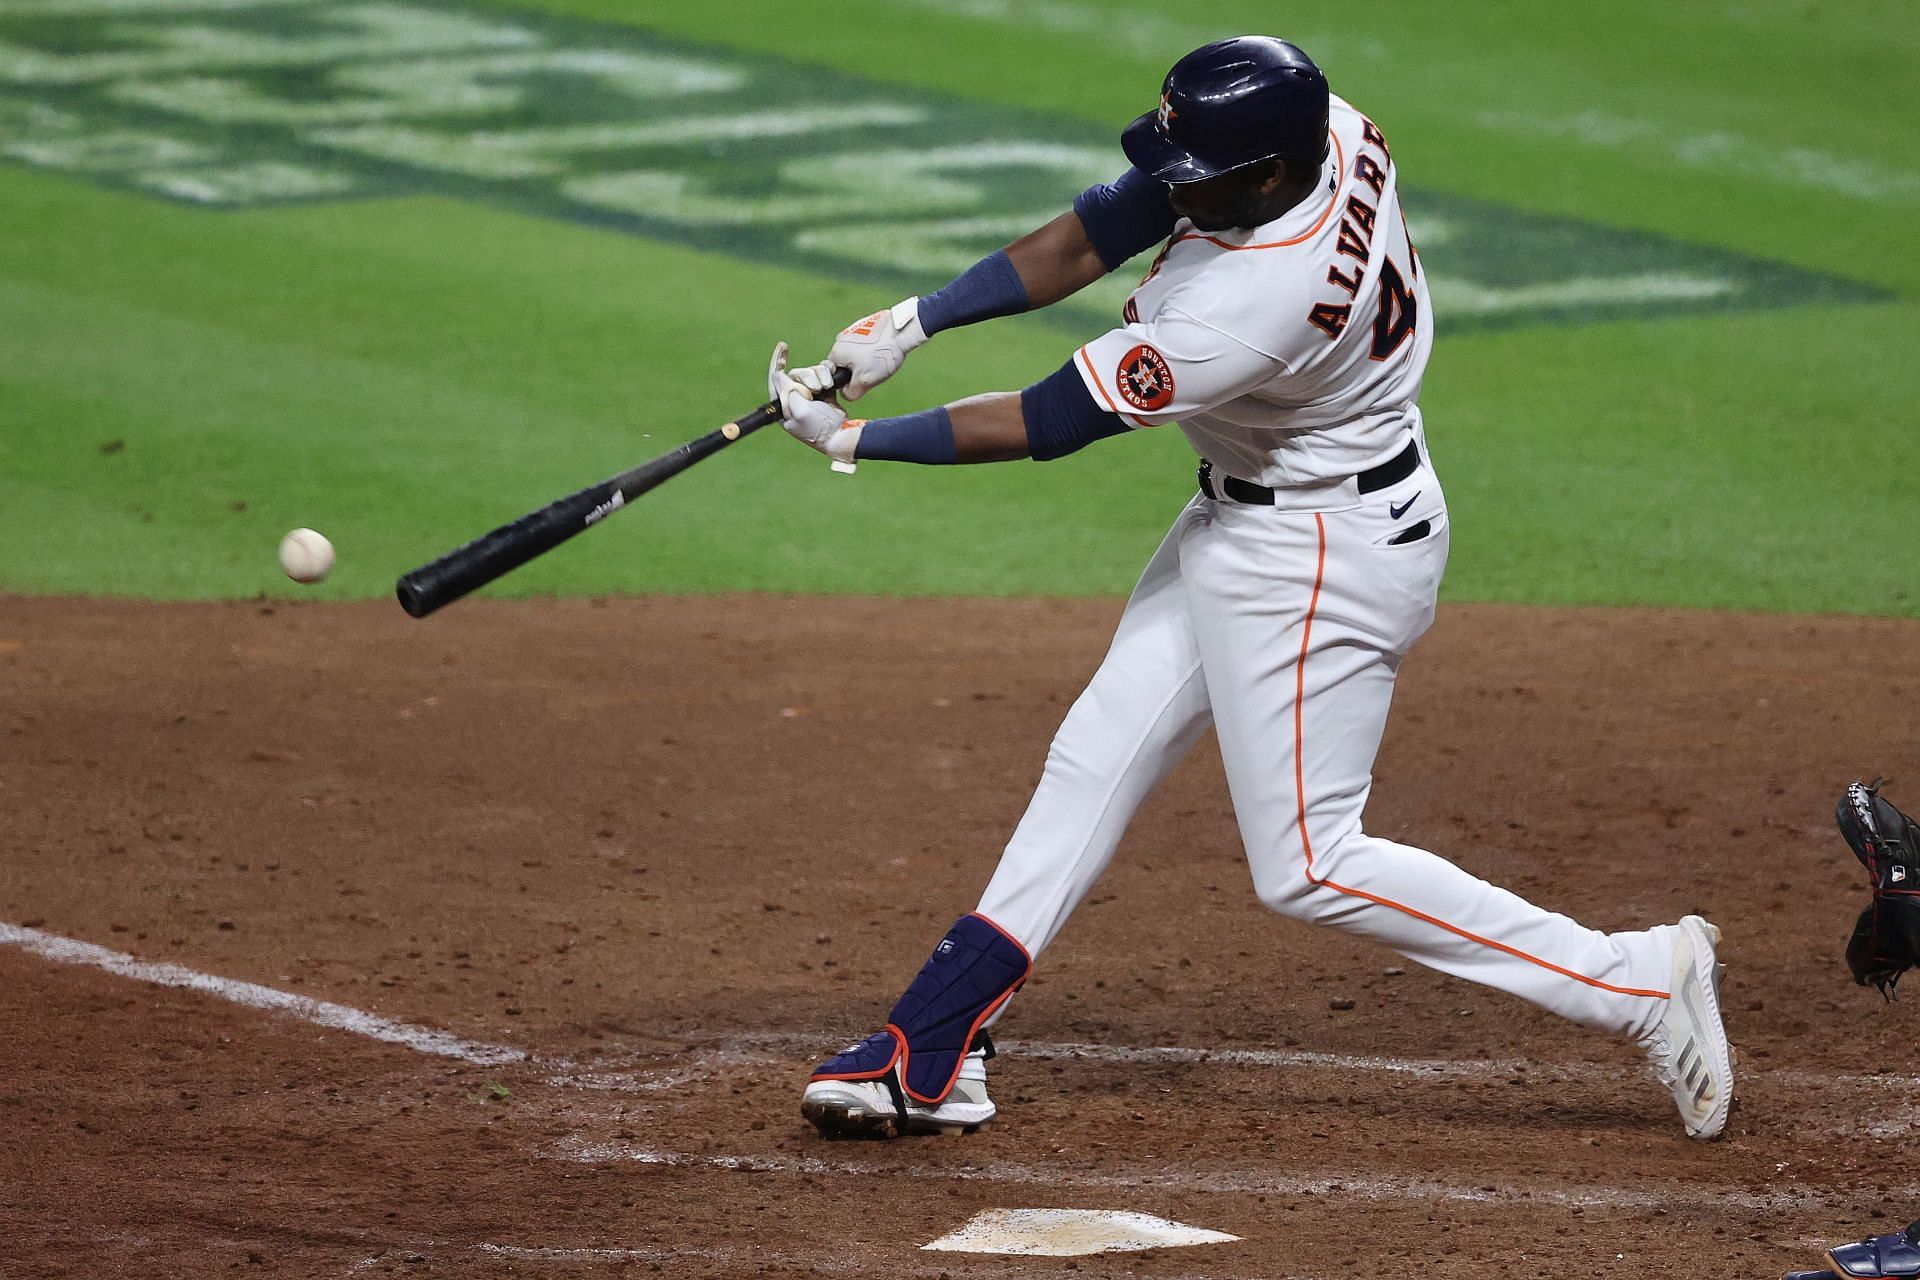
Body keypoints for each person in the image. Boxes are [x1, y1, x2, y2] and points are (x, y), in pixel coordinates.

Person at [768, 36, 1734, 1141]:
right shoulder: (1323, 126)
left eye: (1201, 174)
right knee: (1095, 753)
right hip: (1263, 511)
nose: (1177, 183)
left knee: (1312, 863)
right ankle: (933, 1046)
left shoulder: (1255, 301)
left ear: (1267, 176)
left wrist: (853, 435)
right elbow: (1112, 219)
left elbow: (1046, 421)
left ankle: (1638, 977)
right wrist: (918, 319)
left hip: (1323, 552)